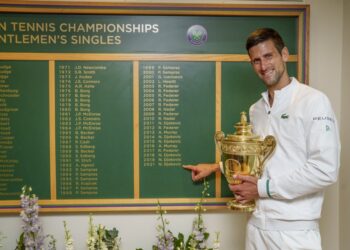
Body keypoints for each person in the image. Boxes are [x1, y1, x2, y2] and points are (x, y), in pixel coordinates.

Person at [183, 28, 340, 250]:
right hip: (256, 226)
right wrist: (216, 167)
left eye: (268, 56)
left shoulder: (314, 101)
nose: (263, 66)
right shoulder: (256, 110)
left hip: (294, 233)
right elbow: (263, 159)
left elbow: (325, 169)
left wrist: (262, 188)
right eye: (256, 60)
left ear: (284, 54)